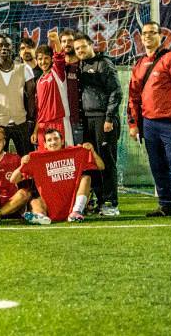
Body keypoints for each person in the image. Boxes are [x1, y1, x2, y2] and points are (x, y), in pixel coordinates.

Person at [128, 21, 171, 218]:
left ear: (160, 36)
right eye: (144, 33)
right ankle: (166, 205)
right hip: (148, 123)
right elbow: (133, 97)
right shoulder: (139, 64)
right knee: (157, 166)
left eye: (152, 32)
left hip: (170, 121)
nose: (147, 36)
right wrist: (133, 124)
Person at [73, 34, 122, 216]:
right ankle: (100, 200)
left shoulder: (104, 64)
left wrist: (109, 118)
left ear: (91, 45)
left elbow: (116, 91)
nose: (80, 51)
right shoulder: (80, 66)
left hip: (103, 119)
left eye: (83, 47)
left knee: (107, 160)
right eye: (77, 49)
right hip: (87, 120)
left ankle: (111, 203)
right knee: (93, 161)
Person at [14, 129, 105, 223]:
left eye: (56, 139)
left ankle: (76, 212)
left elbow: (101, 166)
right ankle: (40, 216)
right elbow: (13, 180)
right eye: (49, 140)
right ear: (45, 144)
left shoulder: (74, 153)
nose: (53, 142)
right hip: (49, 205)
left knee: (86, 178)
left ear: (62, 141)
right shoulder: (37, 158)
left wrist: (92, 151)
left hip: (72, 202)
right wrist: (22, 164)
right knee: (35, 201)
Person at [0, 127, 43, 223]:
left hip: (12, 202)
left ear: (4, 142)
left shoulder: (15, 159)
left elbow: (24, 182)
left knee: (25, 192)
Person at [0, 34, 36, 156]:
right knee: (0, 160)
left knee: (27, 158)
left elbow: (31, 97)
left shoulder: (25, 68)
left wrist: (30, 120)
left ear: (13, 48)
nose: (4, 48)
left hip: (21, 122)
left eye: (7, 45)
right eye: (0, 45)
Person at [31, 33, 72, 150]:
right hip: (42, 126)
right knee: (44, 159)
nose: (43, 62)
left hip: (59, 122)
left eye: (46, 58)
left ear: (51, 59)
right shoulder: (39, 81)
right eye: (40, 59)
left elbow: (59, 57)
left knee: (62, 157)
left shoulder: (57, 73)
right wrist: (36, 130)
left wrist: (56, 41)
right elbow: (40, 110)